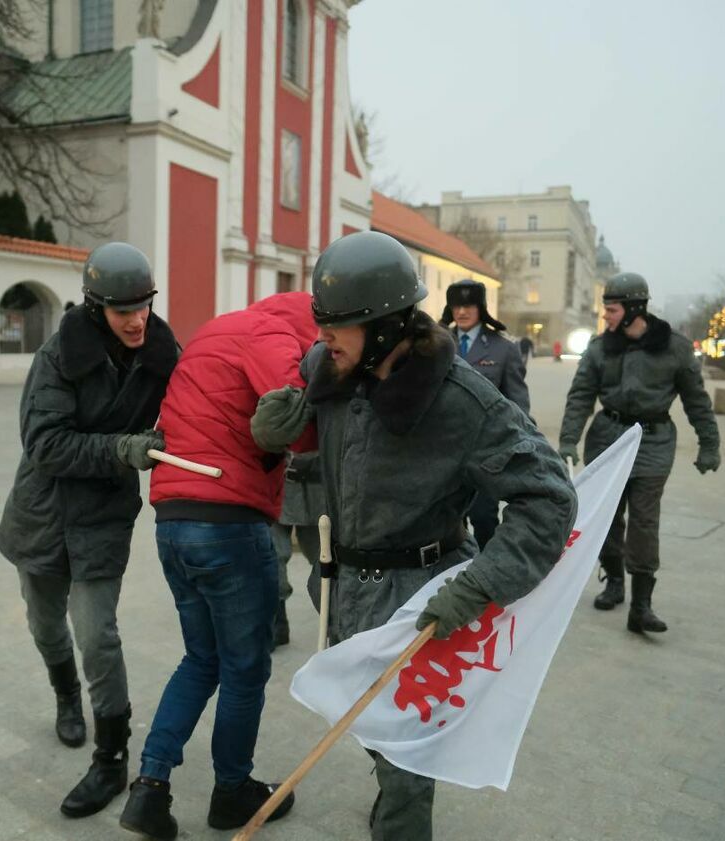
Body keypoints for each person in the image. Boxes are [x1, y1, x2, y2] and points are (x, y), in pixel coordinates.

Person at [251, 232, 577, 841]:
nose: (320, 336)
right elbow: (331, 451)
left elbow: (550, 498)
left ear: (382, 326)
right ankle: (392, 788)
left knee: (406, 753)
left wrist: (479, 588)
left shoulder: (461, 401)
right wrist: (283, 424)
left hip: (419, 601)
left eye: (337, 325)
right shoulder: (332, 369)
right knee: (367, 722)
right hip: (339, 585)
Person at [118, 292, 316, 841]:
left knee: (201, 659)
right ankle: (233, 791)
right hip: (229, 520)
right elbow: (294, 419)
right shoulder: (276, 337)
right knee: (245, 669)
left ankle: (149, 790)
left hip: (173, 518)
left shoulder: (216, 330)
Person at [0, 242, 179, 821]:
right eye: (124, 310)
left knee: (97, 634)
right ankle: (65, 696)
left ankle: (112, 758)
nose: (138, 319)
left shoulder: (162, 352)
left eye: (145, 306)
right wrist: (121, 449)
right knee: (45, 623)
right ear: (96, 307)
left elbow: (194, 408)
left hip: (102, 515)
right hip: (44, 513)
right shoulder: (58, 356)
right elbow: (44, 444)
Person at [559, 272, 720, 632]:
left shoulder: (674, 347)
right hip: (608, 441)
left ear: (634, 309)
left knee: (645, 521)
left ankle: (642, 605)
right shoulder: (601, 347)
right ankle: (614, 581)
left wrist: (710, 442)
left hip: (653, 441)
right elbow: (581, 395)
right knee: (609, 518)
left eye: (612, 309)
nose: (606, 316)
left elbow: (697, 399)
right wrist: (569, 439)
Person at [440, 278, 530, 548]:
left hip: (486, 450)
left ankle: (489, 578)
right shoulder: (436, 343)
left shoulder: (504, 349)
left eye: (468, 306)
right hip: (443, 450)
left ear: (481, 308)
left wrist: (521, 441)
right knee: (447, 520)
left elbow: (517, 401)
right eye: (456, 306)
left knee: (484, 517)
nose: (462, 312)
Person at [270, 450, 325, 648]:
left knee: (326, 559)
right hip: (277, 479)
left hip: (319, 481)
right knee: (272, 555)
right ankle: (275, 623)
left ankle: (335, 621)